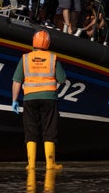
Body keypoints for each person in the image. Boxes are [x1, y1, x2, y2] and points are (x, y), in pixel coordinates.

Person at [10, 29, 67, 171]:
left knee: (31, 130)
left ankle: (31, 164)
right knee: (49, 130)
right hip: (49, 98)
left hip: (29, 98)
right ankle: (50, 164)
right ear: (48, 43)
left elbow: (17, 81)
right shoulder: (53, 58)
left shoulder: (25, 58)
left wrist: (14, 100)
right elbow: (62, 79)